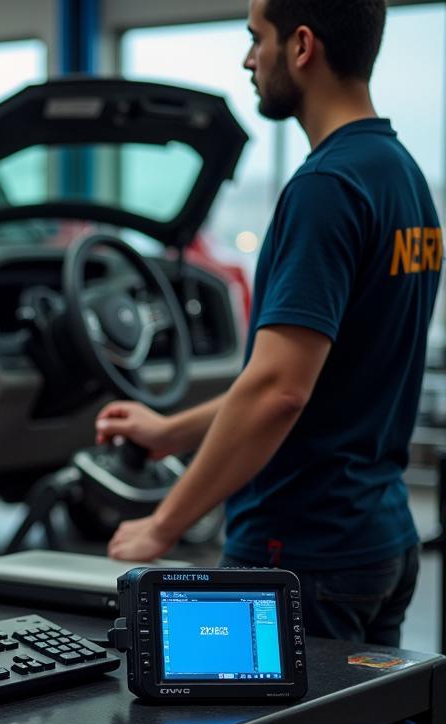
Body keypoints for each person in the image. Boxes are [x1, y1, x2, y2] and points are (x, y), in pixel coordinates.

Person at [95, 0, 443, 644]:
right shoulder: (403, 177)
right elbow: (314, 381)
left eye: (258, 38)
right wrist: (172, 432)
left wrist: (163, 525)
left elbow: (279, 392)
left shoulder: (326, 186)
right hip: (377, 539)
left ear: (302, 46)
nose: (248, 58)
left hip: (303, 550)